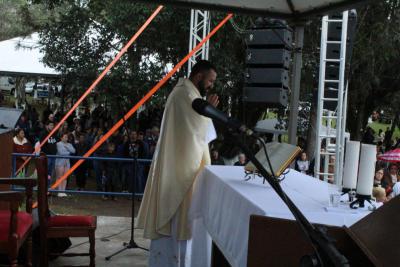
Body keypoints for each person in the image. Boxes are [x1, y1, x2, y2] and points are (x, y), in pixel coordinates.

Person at [136, 60, 218, 266]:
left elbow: (196, 132)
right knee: (175, 226)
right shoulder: (185, 95)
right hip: (179, 171)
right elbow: (199, 131)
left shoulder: (189, 93)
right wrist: (209, 112)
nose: (211, 85)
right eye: (210, 80)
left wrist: (206, 110)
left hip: (179, 166)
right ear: (199, 76)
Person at [55, 132, 76, 197]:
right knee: (59, 176)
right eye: (65, 137)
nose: (66, 138)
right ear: (61, 138)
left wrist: (67, 148)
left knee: (65, 177)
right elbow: (61, 152)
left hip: (67, 162)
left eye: (67, 137)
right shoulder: (58, 144)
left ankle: (63, 191)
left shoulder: (69, 144)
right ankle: (59, 191)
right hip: (59, 162)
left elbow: (73, 151)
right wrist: (68, 152)